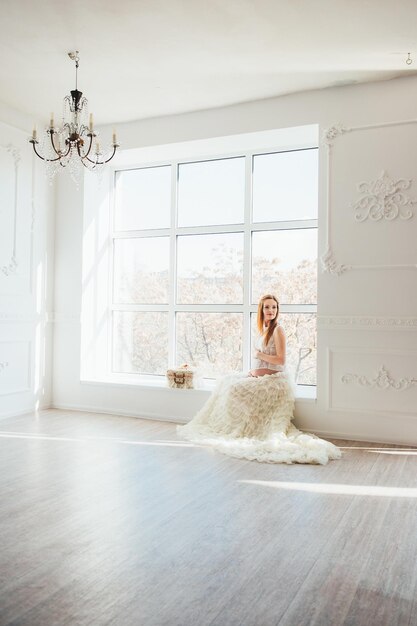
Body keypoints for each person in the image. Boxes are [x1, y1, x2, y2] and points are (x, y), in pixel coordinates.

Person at [177, 294, 341, 465]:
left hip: (274, 381)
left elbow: (280, 360)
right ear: (261, 310)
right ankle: (228, 427)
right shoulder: (264, 329)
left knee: (234, 388)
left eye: (274, 307)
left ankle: (240, 429)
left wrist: (259, 355)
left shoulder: (278, 329)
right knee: (226, 381)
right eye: (267, 307)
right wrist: (254, 370)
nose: (271, 310)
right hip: (261, 375)